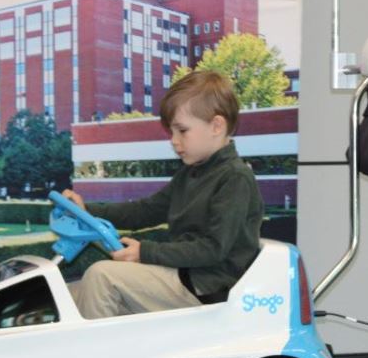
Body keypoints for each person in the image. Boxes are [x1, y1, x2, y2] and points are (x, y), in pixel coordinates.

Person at [63, 70, 262, 318]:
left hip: (207, 286)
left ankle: (94, 356)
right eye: (171, 132)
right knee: (76, 294)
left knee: (100, 276)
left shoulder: (235, 178)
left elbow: (213, 249)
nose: (174, 141)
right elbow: (143, 211)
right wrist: (87, 211)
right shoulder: (190, 174)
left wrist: (145, 252)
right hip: (185, 275)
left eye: (182, 131)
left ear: (216, 126)